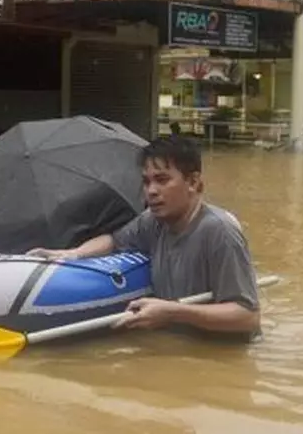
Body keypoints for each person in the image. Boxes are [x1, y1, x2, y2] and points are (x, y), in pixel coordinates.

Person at [28, 135, 262, 338]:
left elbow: (247, 316)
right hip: (177, 347)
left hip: (218, 357)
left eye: (162, 180)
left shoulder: (219, 232)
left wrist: (173, 312)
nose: (151, 191)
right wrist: (71, 254)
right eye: (146, 182)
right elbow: (114, 241)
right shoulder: (153, 221)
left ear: (193, 182)